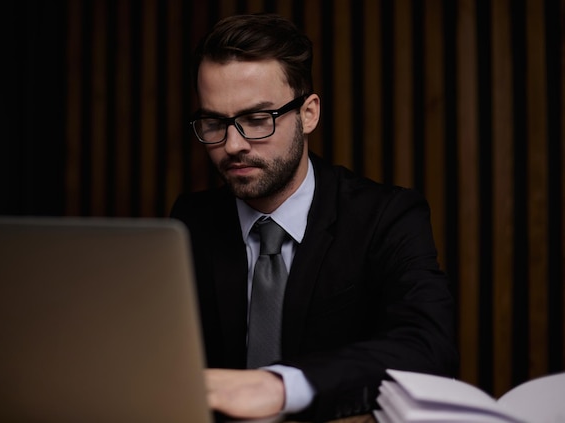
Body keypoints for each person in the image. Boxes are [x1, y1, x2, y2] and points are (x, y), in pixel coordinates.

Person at [171, 13, 458, 422]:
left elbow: (430, 348)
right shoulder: (190, 221)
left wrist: (280, 386)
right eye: (215, 123)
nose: (232, 145)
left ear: (308, 114)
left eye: (256, 119)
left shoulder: (385, 217)